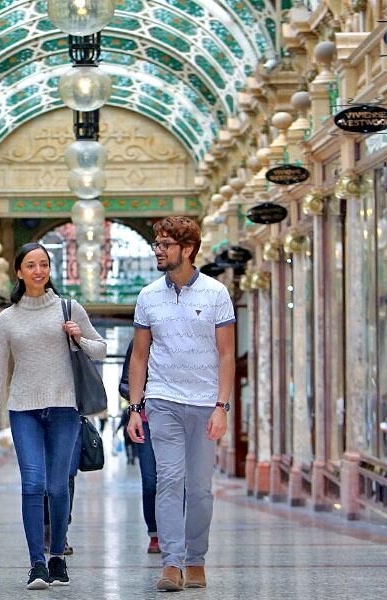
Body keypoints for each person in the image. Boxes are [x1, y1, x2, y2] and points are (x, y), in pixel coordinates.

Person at [0, 243, 106, 590]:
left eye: (44, 264)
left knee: (57, 485)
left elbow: (100, 348)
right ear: (19, 272)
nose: (38, 270)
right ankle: (37, 564)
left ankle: (57, 559)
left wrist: (78, 336)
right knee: (33, 485)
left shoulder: (69, 308)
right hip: (24, 411)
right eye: (31, 265)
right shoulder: (5, 319)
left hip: (65, 409)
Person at [126, 216, 236, 592]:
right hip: (163, 401)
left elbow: (226, 355)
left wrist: (222, 406)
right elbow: (139, 357)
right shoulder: (147, 296)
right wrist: (135, 408)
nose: (158, 250)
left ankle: (196, 558)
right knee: (169, 481)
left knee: (201, 488)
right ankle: (172, 563)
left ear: (187, 249)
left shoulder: (217, 294)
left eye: (165, 244)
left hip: (205, 405)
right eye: (156, 244)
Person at [119, 338, 160, 554]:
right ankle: (155, 534)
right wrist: (139, 396)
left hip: (177, 418)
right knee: (151, 481)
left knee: (178, 479)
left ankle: (175, 532)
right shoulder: (139, 341)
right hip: (146, 419)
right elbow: (124, 383)